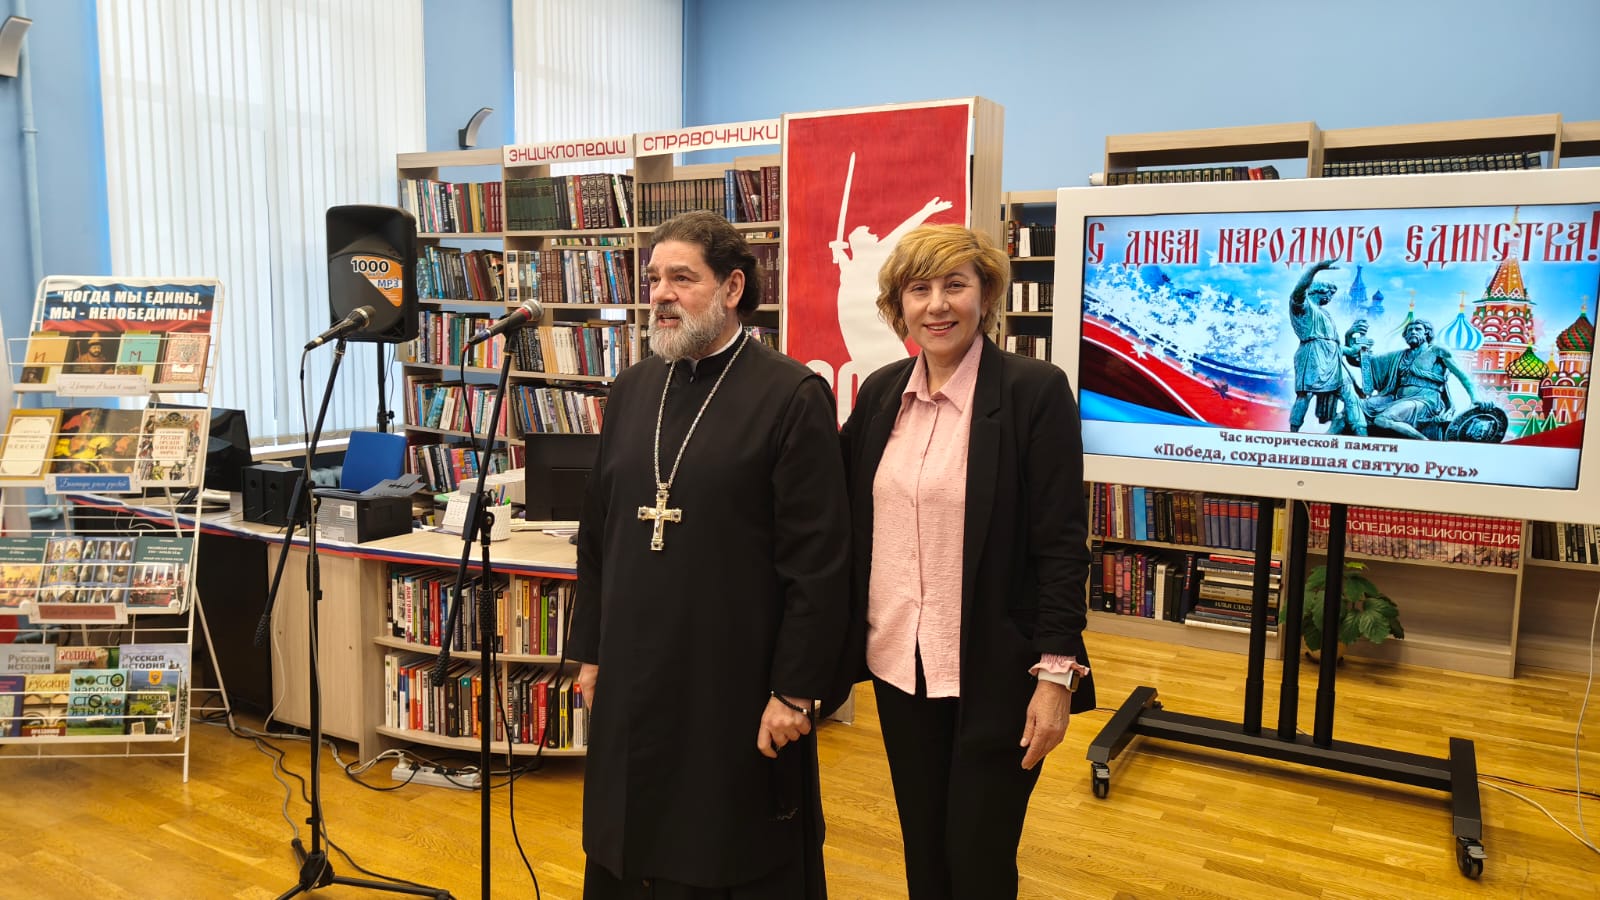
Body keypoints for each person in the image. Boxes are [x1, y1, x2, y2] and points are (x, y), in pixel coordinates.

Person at [569, 210, 852, 900]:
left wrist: (795, 689)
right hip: (633, 668)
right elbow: (597, 533)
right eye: (654, 279)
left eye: (682, 278)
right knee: (629, 833)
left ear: (732, 287)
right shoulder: (632, 389)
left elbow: (819, 562)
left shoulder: (790, 394)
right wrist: (591, 652)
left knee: (725, 845)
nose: (661, 294)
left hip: (732, 679)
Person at [838, 224, 1096, 899]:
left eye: (955, 285)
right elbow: (828, 504)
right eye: (918, 289)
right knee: (924, 851)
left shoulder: (1034, 391)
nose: (937, 305)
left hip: (998, 671)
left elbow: (1061, 544)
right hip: (900, 664)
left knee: (978, 857)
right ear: (898, 305)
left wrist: (1057, 678)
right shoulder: (880, 394)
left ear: (986, 295)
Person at [1345, 318, 1487, 440]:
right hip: (1395, 398)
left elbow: (1463, 376)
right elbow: (1360, 361)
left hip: (1425, 401)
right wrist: (1350, 335)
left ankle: (1424, 442)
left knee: (1383, 419)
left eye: (1418, 329)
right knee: (1353, 408)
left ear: (1426, 333)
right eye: (1409, 330)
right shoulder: (1398, 356)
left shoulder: (1436, 351)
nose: (1413, 332)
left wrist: (1476, 399)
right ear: (1405, 336)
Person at [1288, 259, 1367, 436]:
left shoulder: (1325, 314)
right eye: (1329, 293)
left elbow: (1333, 346)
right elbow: (1298, 291)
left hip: (1332, 361)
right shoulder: (1303, 306)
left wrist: (1352, 347)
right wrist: (1315, 268)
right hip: (1312, 357)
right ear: (1319, 291)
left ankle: (1362, 433)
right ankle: (1293, 433)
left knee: (1350, 393)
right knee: (1305, 396)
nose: (1330, 298)